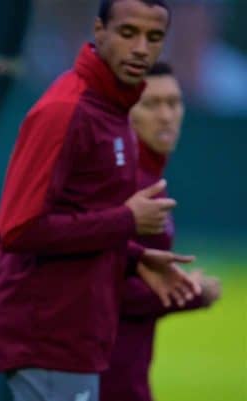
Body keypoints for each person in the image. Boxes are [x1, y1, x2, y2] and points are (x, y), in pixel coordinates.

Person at [0, 1, 201, 400]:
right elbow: (17, 228)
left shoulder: (112, 109)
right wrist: (126, 222)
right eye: (127, 33)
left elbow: (81, 215)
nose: (140, 48)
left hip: (76, 340)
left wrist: (132, 255)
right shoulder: (67, 109)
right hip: (46, 338)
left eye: (153, 38)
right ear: (99, 32)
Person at [99, 61, 221, 401]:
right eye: (152, 104)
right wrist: (192, 292)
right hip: (105, 373)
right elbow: (100, 280)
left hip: (128, 370)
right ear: (126, 111)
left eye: (174, 102)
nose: (167, 115)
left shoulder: (151, 179)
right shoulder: (122, 182)